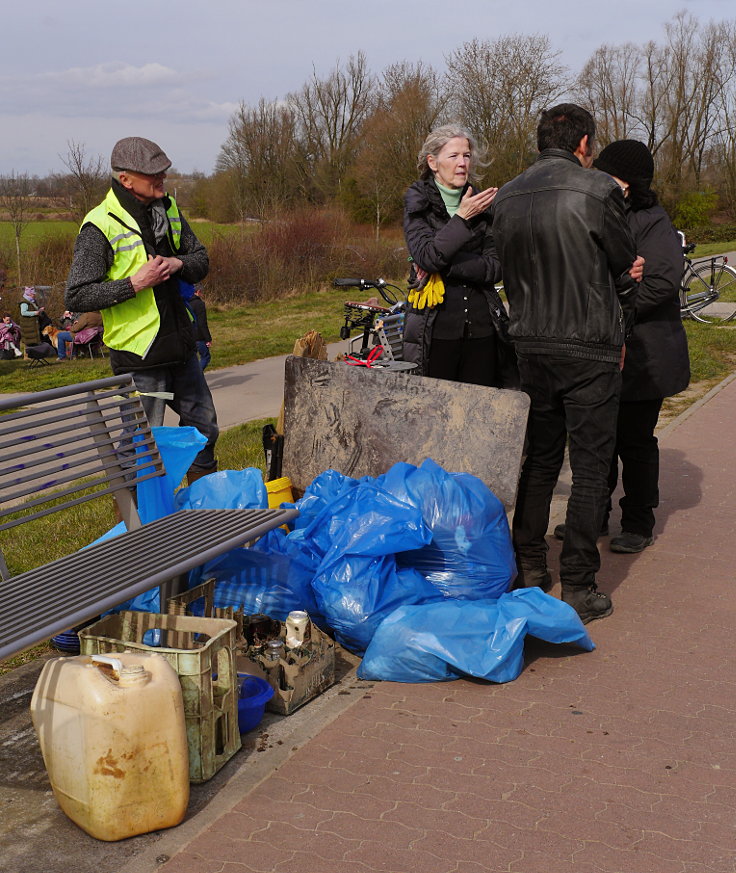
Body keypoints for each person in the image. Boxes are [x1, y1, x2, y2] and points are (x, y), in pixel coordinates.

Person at [491, 104, 644, 624]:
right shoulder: (597, 189)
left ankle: (529, 568)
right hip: (588, 347)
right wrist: (628, 283)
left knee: (538, 463)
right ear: (583, 144)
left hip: (530, 345)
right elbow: (624, 263)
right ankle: (577, 584)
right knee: (591, 469)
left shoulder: (507, 195)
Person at [65, 136, 218, 480]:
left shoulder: (169, 208)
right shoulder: (99, 224)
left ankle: (204, 510)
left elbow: (200, 259)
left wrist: (177, 264)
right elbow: (76, 297)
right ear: (125, 180)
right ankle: (138, 524)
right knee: (140, 447)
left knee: (205, 430)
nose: (162, 178)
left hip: (180, 347)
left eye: (163, 171)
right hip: (139, 356)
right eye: (153, 174)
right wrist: (135, 283)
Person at [573, 140, 688, 553]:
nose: (604, 185)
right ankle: (593, 517)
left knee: (635, 440)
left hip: (644, 352)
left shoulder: (652, 220)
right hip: (601, 346)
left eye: (614, 180)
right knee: (597, 437)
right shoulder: (593, 208)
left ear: (632, 184)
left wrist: (614, 301)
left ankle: (638, 521)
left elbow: (660, 283)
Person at [402, 124, 514, 387]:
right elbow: (427, 256)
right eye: (453, 156)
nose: (463, 163)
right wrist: (462, 217)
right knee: (435, 414)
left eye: (466, 155)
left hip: (483, 329)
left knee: (480, 412)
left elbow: (496, 267)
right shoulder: (418, 202)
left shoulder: (482, 204)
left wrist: (442, 265)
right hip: (435, 329)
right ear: (433, 162)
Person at [189, 286, 212, 371]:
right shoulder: (199, 304)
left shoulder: (186, 303)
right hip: (198, 336)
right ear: (198, 292)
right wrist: (208, 339)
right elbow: (202, 323)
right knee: (206, 357)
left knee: (192, 360)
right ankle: (195, 376)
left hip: (188, 335)